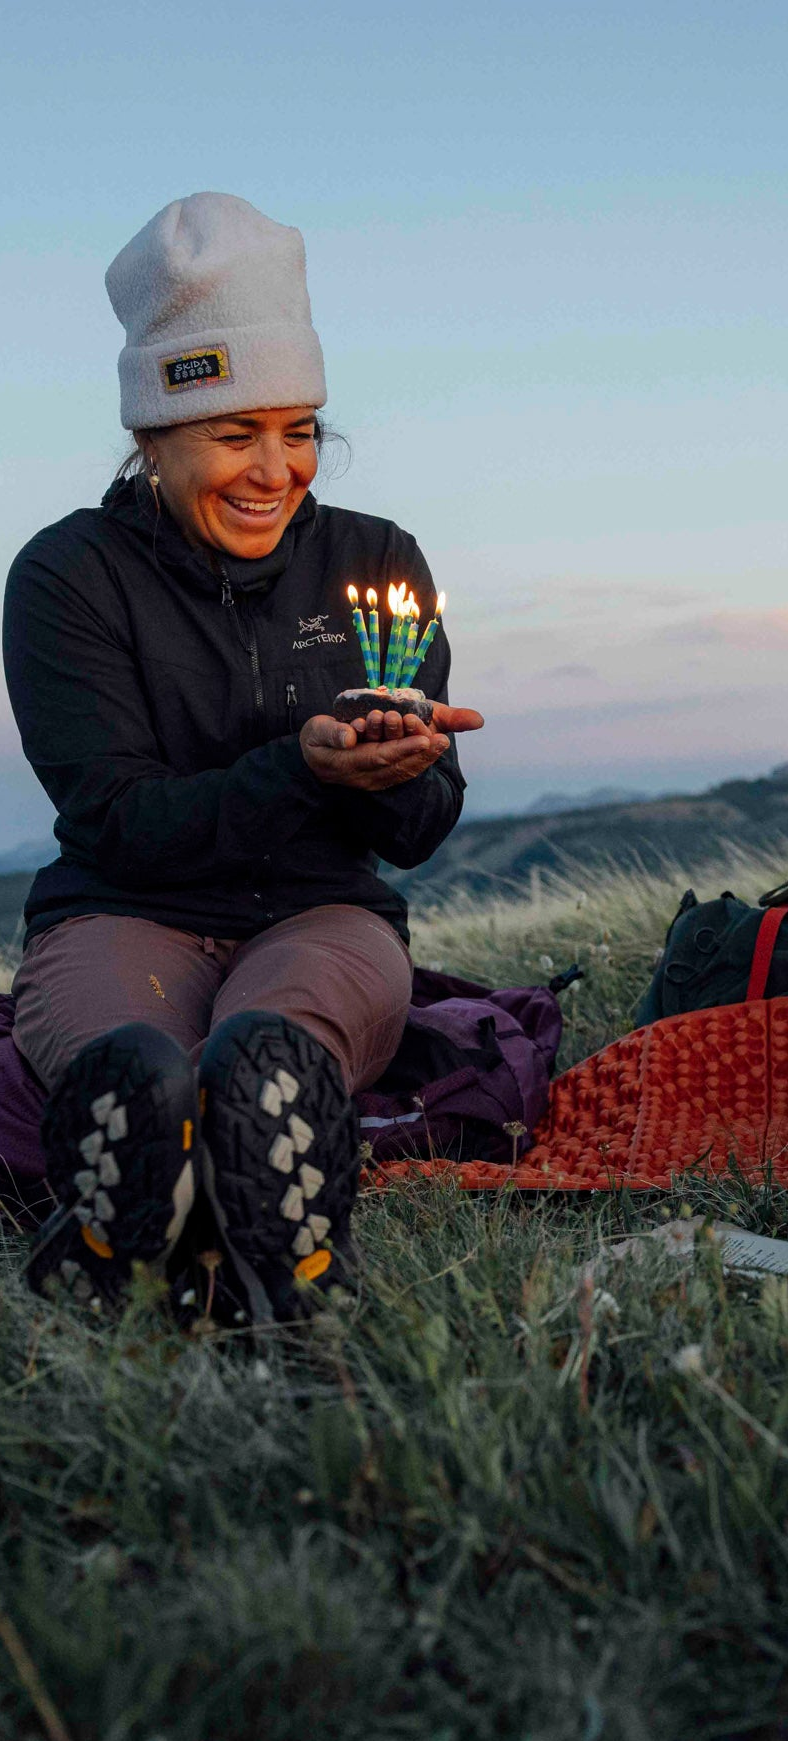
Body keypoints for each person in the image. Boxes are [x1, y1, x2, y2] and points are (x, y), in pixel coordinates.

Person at [2, 192, 483, 1321]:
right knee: (145, 1060)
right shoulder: (67, 576)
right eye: (234, 433)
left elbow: (416, 835)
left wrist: (405, 765)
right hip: (125, 908)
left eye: (300, 427)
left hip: (317, 912)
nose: (278, 469)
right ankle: (166, 1202)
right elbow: (117, 816)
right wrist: (301, 769)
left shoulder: (375, 559)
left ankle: (249, 1199)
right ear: (151, 434)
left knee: (268, 1043)